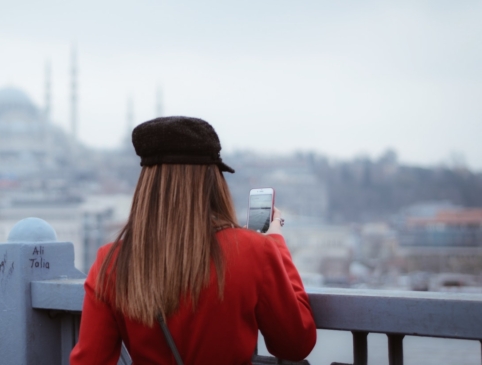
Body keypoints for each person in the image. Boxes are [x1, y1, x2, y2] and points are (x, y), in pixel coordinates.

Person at [70, 116, 316, 365]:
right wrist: (275, 244)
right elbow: (296, 344)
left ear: (146, 186)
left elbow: (89, 360)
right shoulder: (254, 251)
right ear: (213, 182)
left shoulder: (111, 262)